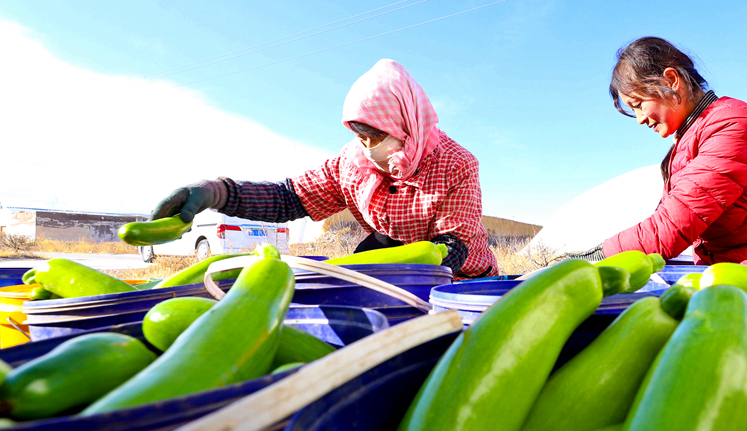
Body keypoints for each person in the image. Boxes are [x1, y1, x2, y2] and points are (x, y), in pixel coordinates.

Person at [150, 59, 499, 279]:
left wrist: (394, 277)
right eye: (360, 136)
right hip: (393, 255)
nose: (368, 148)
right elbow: (289, 198)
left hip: (462, 277)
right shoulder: (352, 164)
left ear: (405, 124)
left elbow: (454, 246)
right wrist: (217, 192)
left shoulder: (455, 164)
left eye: (376, 136)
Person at [578, 37, 747, 267]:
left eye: (638, 104)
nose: (640, 119)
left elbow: (671, 228)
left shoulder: (732, 122)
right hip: (737, 267)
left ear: (671, 80)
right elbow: (666, 220)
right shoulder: (687, 141)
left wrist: (594, 256)